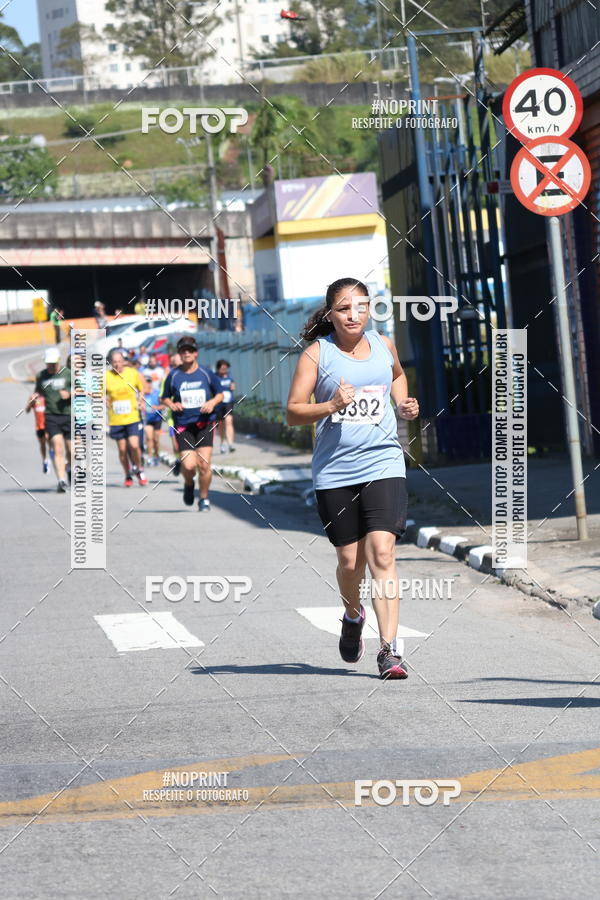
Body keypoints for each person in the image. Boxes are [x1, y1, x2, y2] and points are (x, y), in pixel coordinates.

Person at [286, 277, 419, 680]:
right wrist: (330, 405)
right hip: (335, 471)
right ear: (330, 314)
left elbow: (397, 375)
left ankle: (389, 650)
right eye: (344, 309)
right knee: (349, 561)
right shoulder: (317, 354)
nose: (353, 315)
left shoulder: (383, 345)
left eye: (360, 307)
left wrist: (402, 402)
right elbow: (293, 411)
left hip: (383, 462)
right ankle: (352, 614)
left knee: (383, 553)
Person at [160, 336, 223, 510]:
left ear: (196, 353)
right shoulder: (174, 375)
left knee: (204, 464)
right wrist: (172, 404)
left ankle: (204, 498)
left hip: (204, 424)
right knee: (188, 466)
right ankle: (189, 483)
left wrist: (212, 403)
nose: (187, 353)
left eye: (190, 350)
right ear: (179, 354)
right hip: (184, 425)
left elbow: (220, 394)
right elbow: (164, 397)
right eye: (183, 351)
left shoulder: (206, 373)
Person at [27, 347, 72, 492]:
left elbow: (80, 389)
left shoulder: (68, 373)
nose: (51, 366)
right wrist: (33, 398)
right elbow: (38, 392)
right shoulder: (41, 375)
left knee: (72, 451)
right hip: (51, 416)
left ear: (58, 361)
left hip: (68, 415)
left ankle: (69, 468)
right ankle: (61, 481)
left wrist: (69, 393)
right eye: (49, 363)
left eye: (53, 363)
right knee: (57, 448)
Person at [104, 348, 148, 487]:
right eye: (114, 362)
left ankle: (139, 469)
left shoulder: (132, 373)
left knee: (134, 445)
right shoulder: (106, 377)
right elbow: (98, 393)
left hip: (132, 417)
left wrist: (141, 400)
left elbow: (142, 388)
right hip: (116, 419)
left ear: (124, 362)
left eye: (119, 361)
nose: (117, 364)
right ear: (111, 363)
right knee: (122, 450)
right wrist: (103, 400)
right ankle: (127, 474)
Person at [214, 358, 236, 453]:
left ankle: (230, 444)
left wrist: (233, 387)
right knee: (221, 423)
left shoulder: (230, 377)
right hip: (219, 403)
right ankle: (222, 442)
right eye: (222, 369)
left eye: (226, 369)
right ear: (218, 368)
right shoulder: (214, 377)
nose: (224, 371)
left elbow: (233, 386)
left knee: (229, 421)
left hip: (228, 402)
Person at [143, 375, 164, 465]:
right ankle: (150, 457)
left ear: (151, 383)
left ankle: (156, 455)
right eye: (145, 382)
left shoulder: (157, 392)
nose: (147, 383)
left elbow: (164, 405)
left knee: (156, 439)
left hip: (157, 418)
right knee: (149, 438)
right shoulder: (142, 394)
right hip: (147, 419)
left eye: (149, 381)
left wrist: (157, 407)